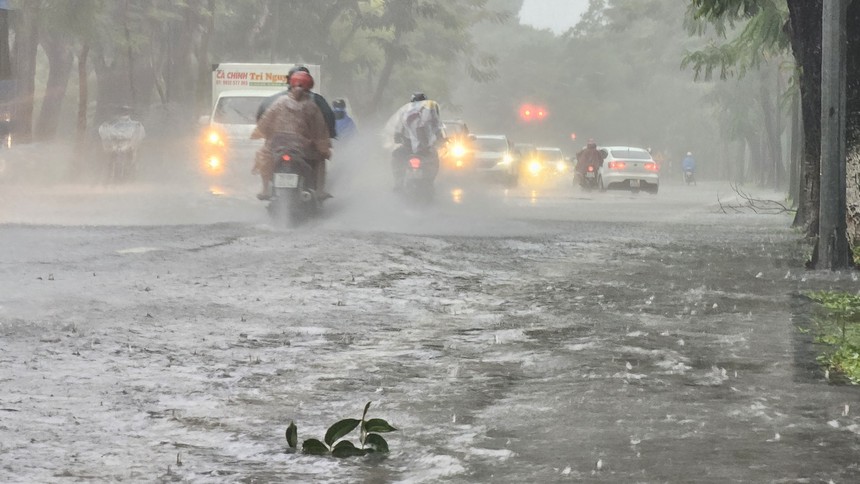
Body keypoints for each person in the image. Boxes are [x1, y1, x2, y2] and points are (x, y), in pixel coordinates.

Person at [251, 71, 331, 200]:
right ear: (309, 88)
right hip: (302, 149)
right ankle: (320, 191)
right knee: (320, 160)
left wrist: (260, 134)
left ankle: (265, 189)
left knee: (263, 157)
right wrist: (324, 148)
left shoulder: (279, 102)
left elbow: (264, 123)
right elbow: (320, 132)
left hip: (277, 146)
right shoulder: (312, 106)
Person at [256, 65, 336, 139]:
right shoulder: (316, 101)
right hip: (306, 148)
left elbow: (261, 122)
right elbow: (328, 119)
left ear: (288, 80)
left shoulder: (275, 100)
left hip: (278, 147)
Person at [385, 92, 446, 189]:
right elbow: (437, 128)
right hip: (424, 149)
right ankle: (401, 181)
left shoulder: (405, 113)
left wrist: (397, 138)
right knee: (434, 159)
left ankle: (398, 182)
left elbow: (398, 130)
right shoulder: (430, 113)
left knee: (395, 157)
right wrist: (441, 139)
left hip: (410, 148)